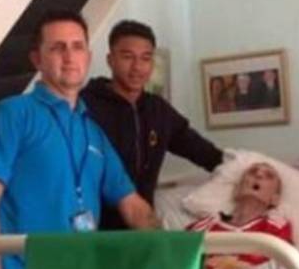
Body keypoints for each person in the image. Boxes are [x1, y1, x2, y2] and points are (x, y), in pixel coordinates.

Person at [0, 10, 158, 269]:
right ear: (37, 59)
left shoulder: (92, 130)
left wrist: (173, 252)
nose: (70, 57)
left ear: (89, 56)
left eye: (77, 47)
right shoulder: (13, 113)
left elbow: (133, 206)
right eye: (58, 48)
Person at [81, 20, 223, 230]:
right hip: (93, 228)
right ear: (110, 60)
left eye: (145, 58)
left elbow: (205, 153)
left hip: (141, 225)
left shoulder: (158, 111)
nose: (137, 67)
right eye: (127, 57)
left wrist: (246, 168)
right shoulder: (85, 106)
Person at [186, 162, 293, 269]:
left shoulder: (276, 227)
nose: (258, 175)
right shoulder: (206, 225)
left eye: (268, 176)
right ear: (237, 190)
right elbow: (179, 260)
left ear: (274, 199)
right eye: (252, 172)